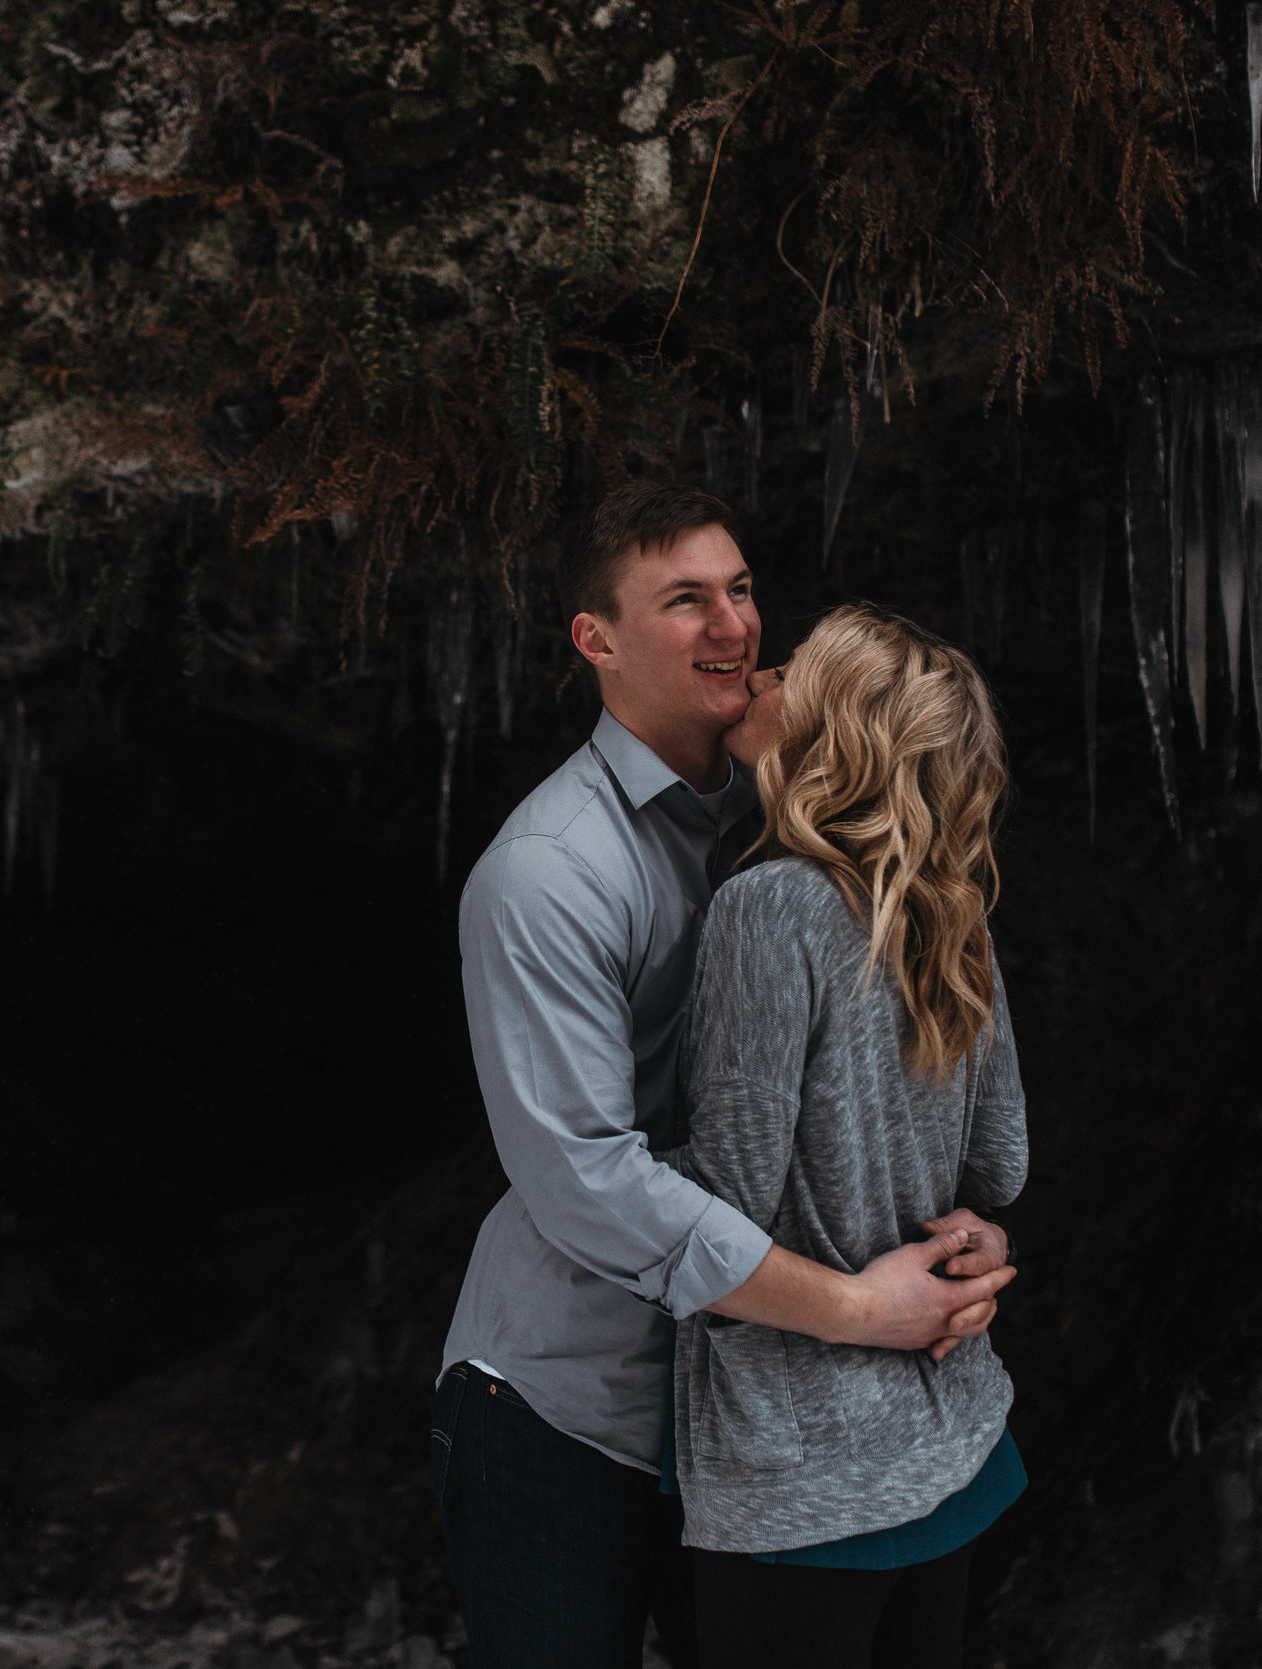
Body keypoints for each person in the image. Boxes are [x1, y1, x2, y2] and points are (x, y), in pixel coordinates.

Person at [431, 483, 1016, 1669]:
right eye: (684, 601)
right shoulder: (548, 872)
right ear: (596, 639)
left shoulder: (810, 817)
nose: (735, 629)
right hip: (571, 1400)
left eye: (740, 590)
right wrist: (865, 1308)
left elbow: (924, 1104)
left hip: (760, 1410)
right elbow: (584, 1180)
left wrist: (966, 1235)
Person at [669, 605, 1027, 1669]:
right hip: (951, 1440)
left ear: (824, 736)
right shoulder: (950, 907)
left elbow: (725, 1197)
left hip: (804, 1472)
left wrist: (589, 1172)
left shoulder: (769, 907)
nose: (756, 674)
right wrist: (980, 1239)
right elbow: (1000, 1165)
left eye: (786, 673)